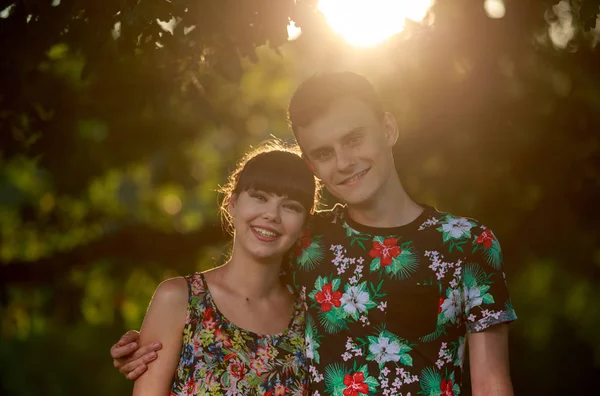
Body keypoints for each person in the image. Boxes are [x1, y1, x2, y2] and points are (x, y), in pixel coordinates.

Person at [112, 72, 517, 395]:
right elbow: (236, 302)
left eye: (354, 138)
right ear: (312, 166)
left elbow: (491, 385)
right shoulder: (306, 240)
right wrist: (152, 345)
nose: (344, 162)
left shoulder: (467, 244)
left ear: (388, 128)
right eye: (324, 153)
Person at [124, 142, 318, 395]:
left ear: (304, 225)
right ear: (233, 203)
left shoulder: (311, 317)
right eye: (260, 197)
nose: (272, 214)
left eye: (291, 206)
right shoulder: (178, 299)